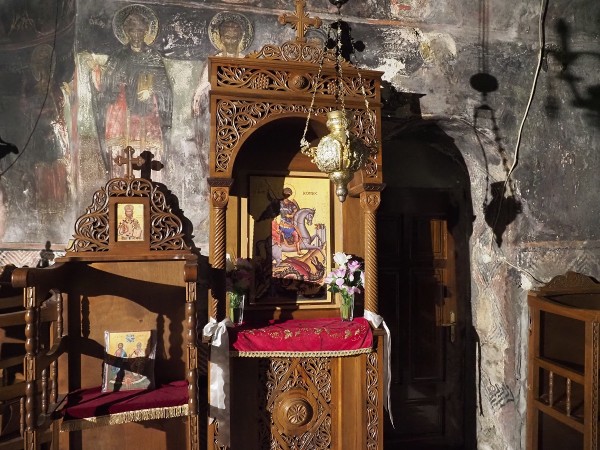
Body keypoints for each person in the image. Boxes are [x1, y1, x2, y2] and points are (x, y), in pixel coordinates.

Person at [86, 8, 172, 180]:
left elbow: (165, 88)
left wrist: (151, 89)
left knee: (146, 151)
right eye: (132, 30)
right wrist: (96, 71)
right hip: (121, 111)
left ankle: (148, 188)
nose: (136, 34)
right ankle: (119, 187)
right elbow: (106, 85)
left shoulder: (154, 57)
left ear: (146, 31)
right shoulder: (118, 56)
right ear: (125, 32)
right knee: (122, 154)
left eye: (140, 30)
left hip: (148, 112)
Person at [192, 13, 253, 181]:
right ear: (220, 38)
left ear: (240, 38)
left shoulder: (247, 61)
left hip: (242, 114)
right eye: (227, 37)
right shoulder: (214, 61)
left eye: (235, 37)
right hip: (218, 114)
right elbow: (202, 90)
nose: (231, 41)